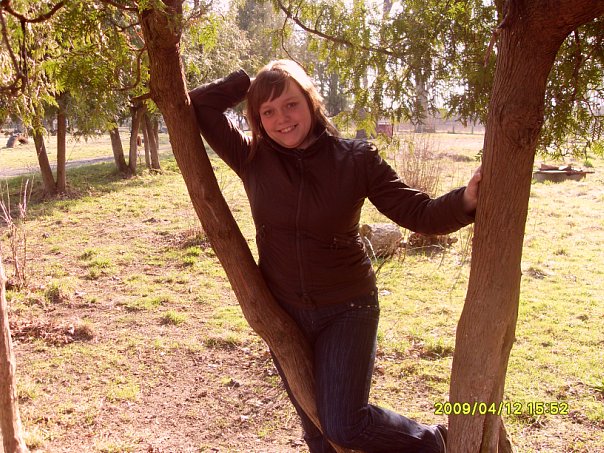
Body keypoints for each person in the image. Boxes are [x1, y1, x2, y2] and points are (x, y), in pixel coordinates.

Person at [190, 59, 481, 453]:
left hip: (347, 308)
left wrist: (465, 201)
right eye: (268, 111)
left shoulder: (355, 159)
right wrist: (253, 80)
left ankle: (431, 440)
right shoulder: (252, 157)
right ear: (257, 119)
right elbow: (202, 105)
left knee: (344, 425)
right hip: (282, 312)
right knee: (316, 430)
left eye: (290, 104)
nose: (282, 119)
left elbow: (418, 213)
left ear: (310, 102)